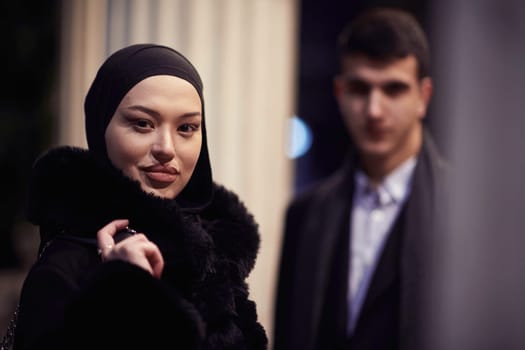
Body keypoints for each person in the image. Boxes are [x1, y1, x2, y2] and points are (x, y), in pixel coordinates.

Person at [12, 44, 268, 350]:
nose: (166, 148)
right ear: (100, 126)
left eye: (187, 127)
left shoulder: (214, 261)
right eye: (143, 123)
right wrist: (121, 290)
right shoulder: (65, 267)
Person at [273, 7, 450, 350]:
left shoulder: (467, 210)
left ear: (423, 97)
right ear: (340, 93)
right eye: (359, 88)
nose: (374, 110)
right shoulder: (304, 214)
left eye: (394, 89)